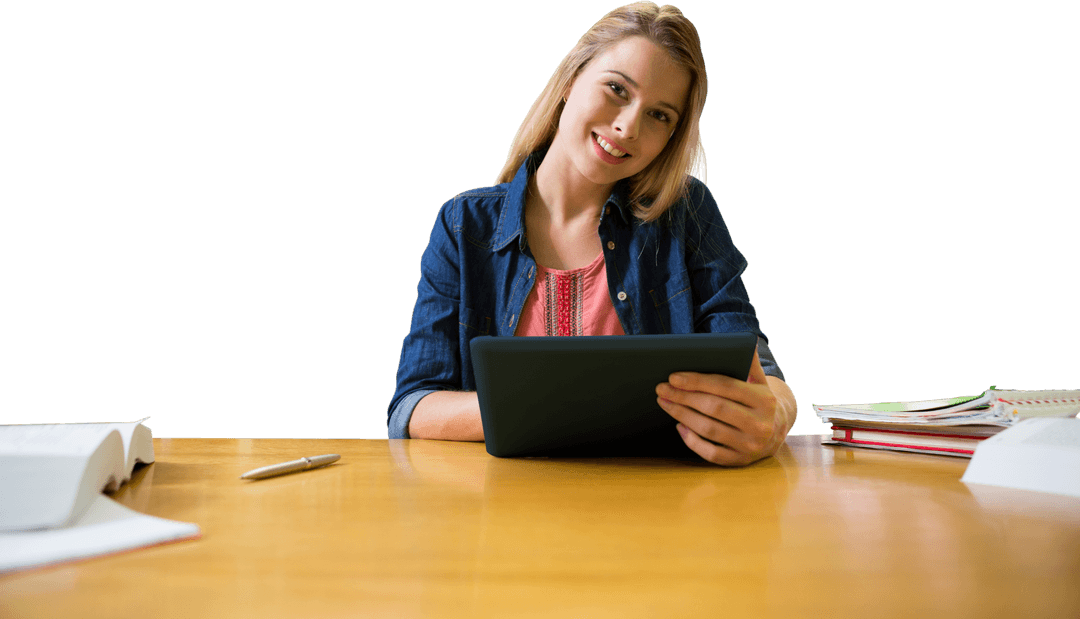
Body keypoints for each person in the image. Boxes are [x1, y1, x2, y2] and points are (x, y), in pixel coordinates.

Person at [388, 1, 796, 466]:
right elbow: (411, 408)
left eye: (659, 115)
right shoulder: (464, 226)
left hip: (665, 513)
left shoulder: (686, 212)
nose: (627, 127)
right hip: (500, 518)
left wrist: (779, 415)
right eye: (617, 89)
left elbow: (759, 372)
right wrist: (553, 408)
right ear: (569, 82)